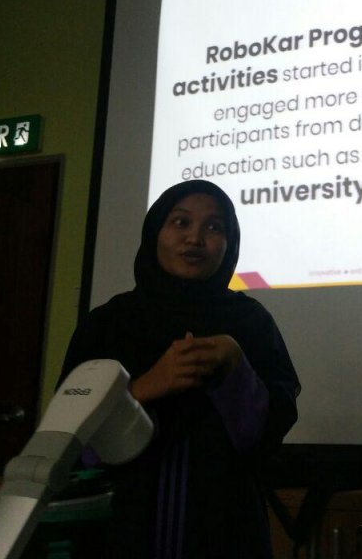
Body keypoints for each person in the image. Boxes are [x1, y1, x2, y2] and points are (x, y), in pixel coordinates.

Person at [60, 179, 300, 559]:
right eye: (180, 222)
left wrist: (235, 367)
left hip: (227, 530)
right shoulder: (108, 323)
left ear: (230, 244)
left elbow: (264, 438)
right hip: (120, 527)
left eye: (214, 227)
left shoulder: (251, 322)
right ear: (155, 232)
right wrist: (142, 389)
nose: (195, 238)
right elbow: (73, 441)